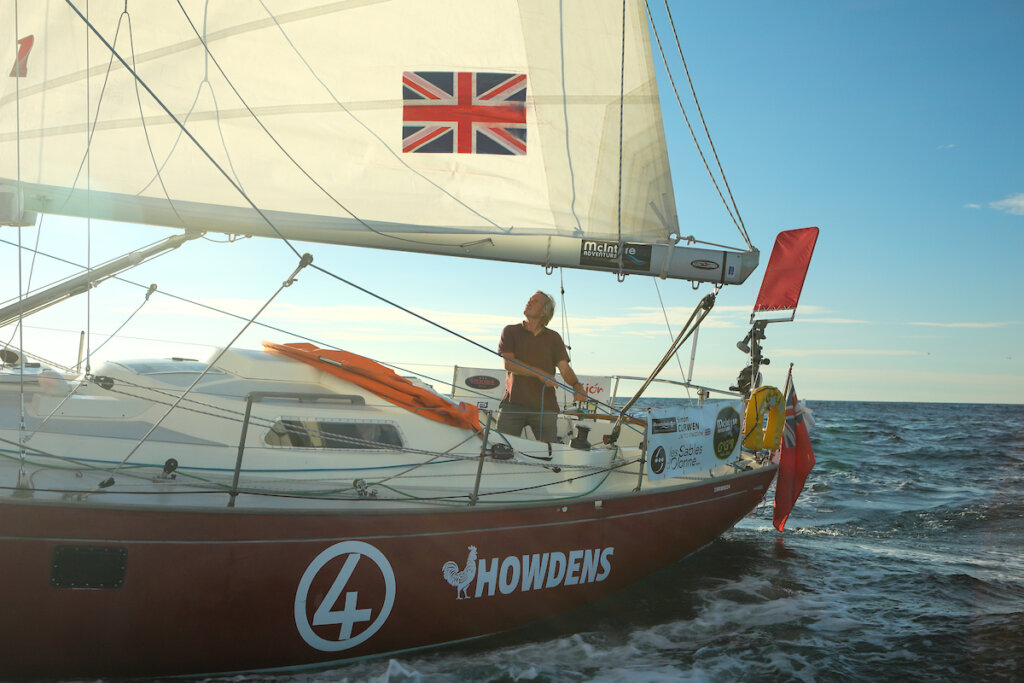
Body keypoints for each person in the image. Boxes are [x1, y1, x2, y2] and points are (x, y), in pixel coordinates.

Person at [496, 291, 586, 442]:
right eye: (529, 299)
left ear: (544, 312)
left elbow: (564, 368)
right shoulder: (510, 331)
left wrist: (577, 385)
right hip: (513, 404)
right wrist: (539, 374)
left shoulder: (554, 337)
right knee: (501, 450)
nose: (529, 302)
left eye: (535, 301)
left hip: (546, 407)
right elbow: (509, 364)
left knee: (548, 455)